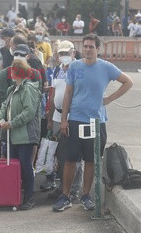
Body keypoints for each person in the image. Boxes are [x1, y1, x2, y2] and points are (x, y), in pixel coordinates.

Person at [52, 34, 133, 212]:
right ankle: (65, 196)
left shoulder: (106, 67)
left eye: (91, 47)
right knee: (70, 160)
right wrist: (64, 119)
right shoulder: (75, 66)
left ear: (98, 49)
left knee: (91, 160)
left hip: (96, 121)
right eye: (86, 46)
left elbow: (128, 82)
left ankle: (86, 195)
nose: (88, 49)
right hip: (75, 120)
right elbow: (68, 93)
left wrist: (109, 99)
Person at [0, 59, 41, 211]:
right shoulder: (13, 89)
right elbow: (4, 108)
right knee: (15, 166)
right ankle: (15, 195)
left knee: (25, 165)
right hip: (13, 134)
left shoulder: (28, 89)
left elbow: (29, 112)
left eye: (13, 70)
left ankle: (29, 196)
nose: (11, 73)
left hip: (24, 135)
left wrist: (11, 123)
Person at [45, 40, 83, 200]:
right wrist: (49, 117)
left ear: (73, 53)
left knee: (74, 154)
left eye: (67, 53)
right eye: (61, 54)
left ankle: (74, 190)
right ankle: (63, 187)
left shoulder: (79, 69)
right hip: (56, 116)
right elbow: (53, 94)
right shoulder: (56, 70)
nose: (64, 56)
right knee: (60, 155)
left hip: (73, 116)